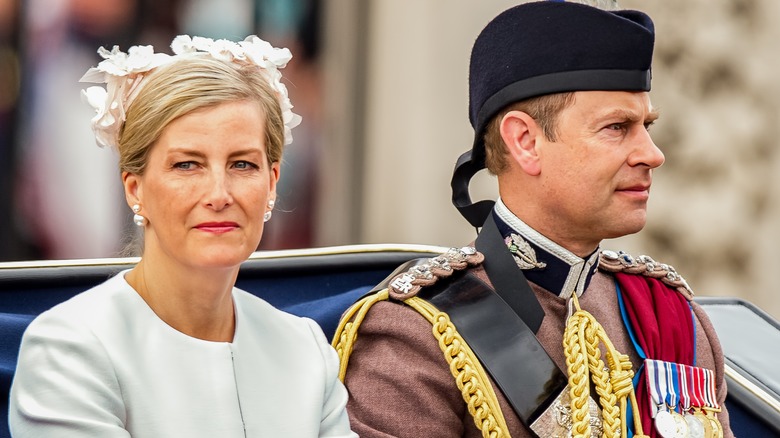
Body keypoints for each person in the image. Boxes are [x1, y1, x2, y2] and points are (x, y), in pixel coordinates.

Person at [333, 2, 733, 438]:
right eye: (617, 127)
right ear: (524, 141)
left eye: (646, 126)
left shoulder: (667, 316)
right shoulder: (416, 332)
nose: (652, 154)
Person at [9, 34, 356, 437]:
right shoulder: (69, 349)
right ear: (134, 188)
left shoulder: (306, 350)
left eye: (242, 165)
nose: (219, 195)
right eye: (187, 165)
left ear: (272, 182)